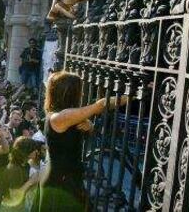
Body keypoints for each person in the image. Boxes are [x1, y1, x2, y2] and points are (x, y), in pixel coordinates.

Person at [38, 71, 127, 212]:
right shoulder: (60, 117)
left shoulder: (59, 114)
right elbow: (100, 106)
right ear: (69, 93)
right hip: (61, 182)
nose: (83, 94)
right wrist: (134, 95)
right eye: (80, 89)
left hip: (68, 178)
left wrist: (90, 127)